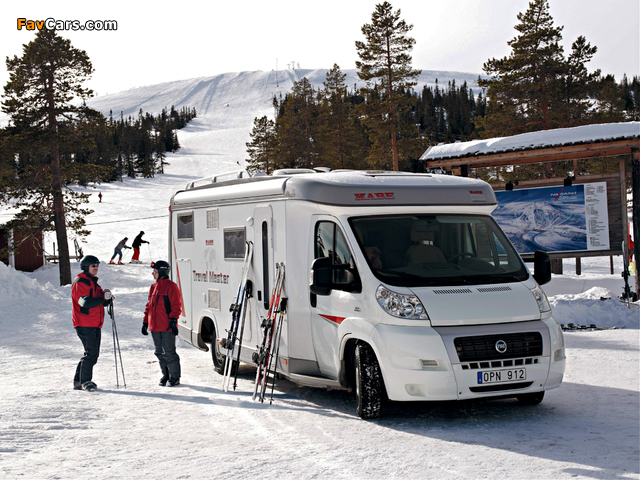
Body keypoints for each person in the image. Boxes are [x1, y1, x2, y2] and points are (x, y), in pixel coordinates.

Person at [72, 255, 114, 391]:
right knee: (91, 353)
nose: (96, 268)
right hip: (84, 323)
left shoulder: (93, 283)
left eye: (97, 266)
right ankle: (85, 381)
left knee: (92, 354)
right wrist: (102, 299)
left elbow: (99, 302)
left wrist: (107, 299)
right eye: (93, 266)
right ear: (86, 267)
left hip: (94, 323)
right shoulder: (80, 282)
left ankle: (79, 382)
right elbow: (84, 302)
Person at [142, 260, 182, 386]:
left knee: (169, 352)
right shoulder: (153, 287)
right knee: (159, 352)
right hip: (154, 327)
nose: (152, 274)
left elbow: (176, 306)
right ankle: (166, 375)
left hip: (166, 326)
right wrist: (145, 322)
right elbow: (149, 306)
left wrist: (173, 320)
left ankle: (174, 377)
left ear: (162, 272)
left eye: (155, 271)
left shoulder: (171, 286)